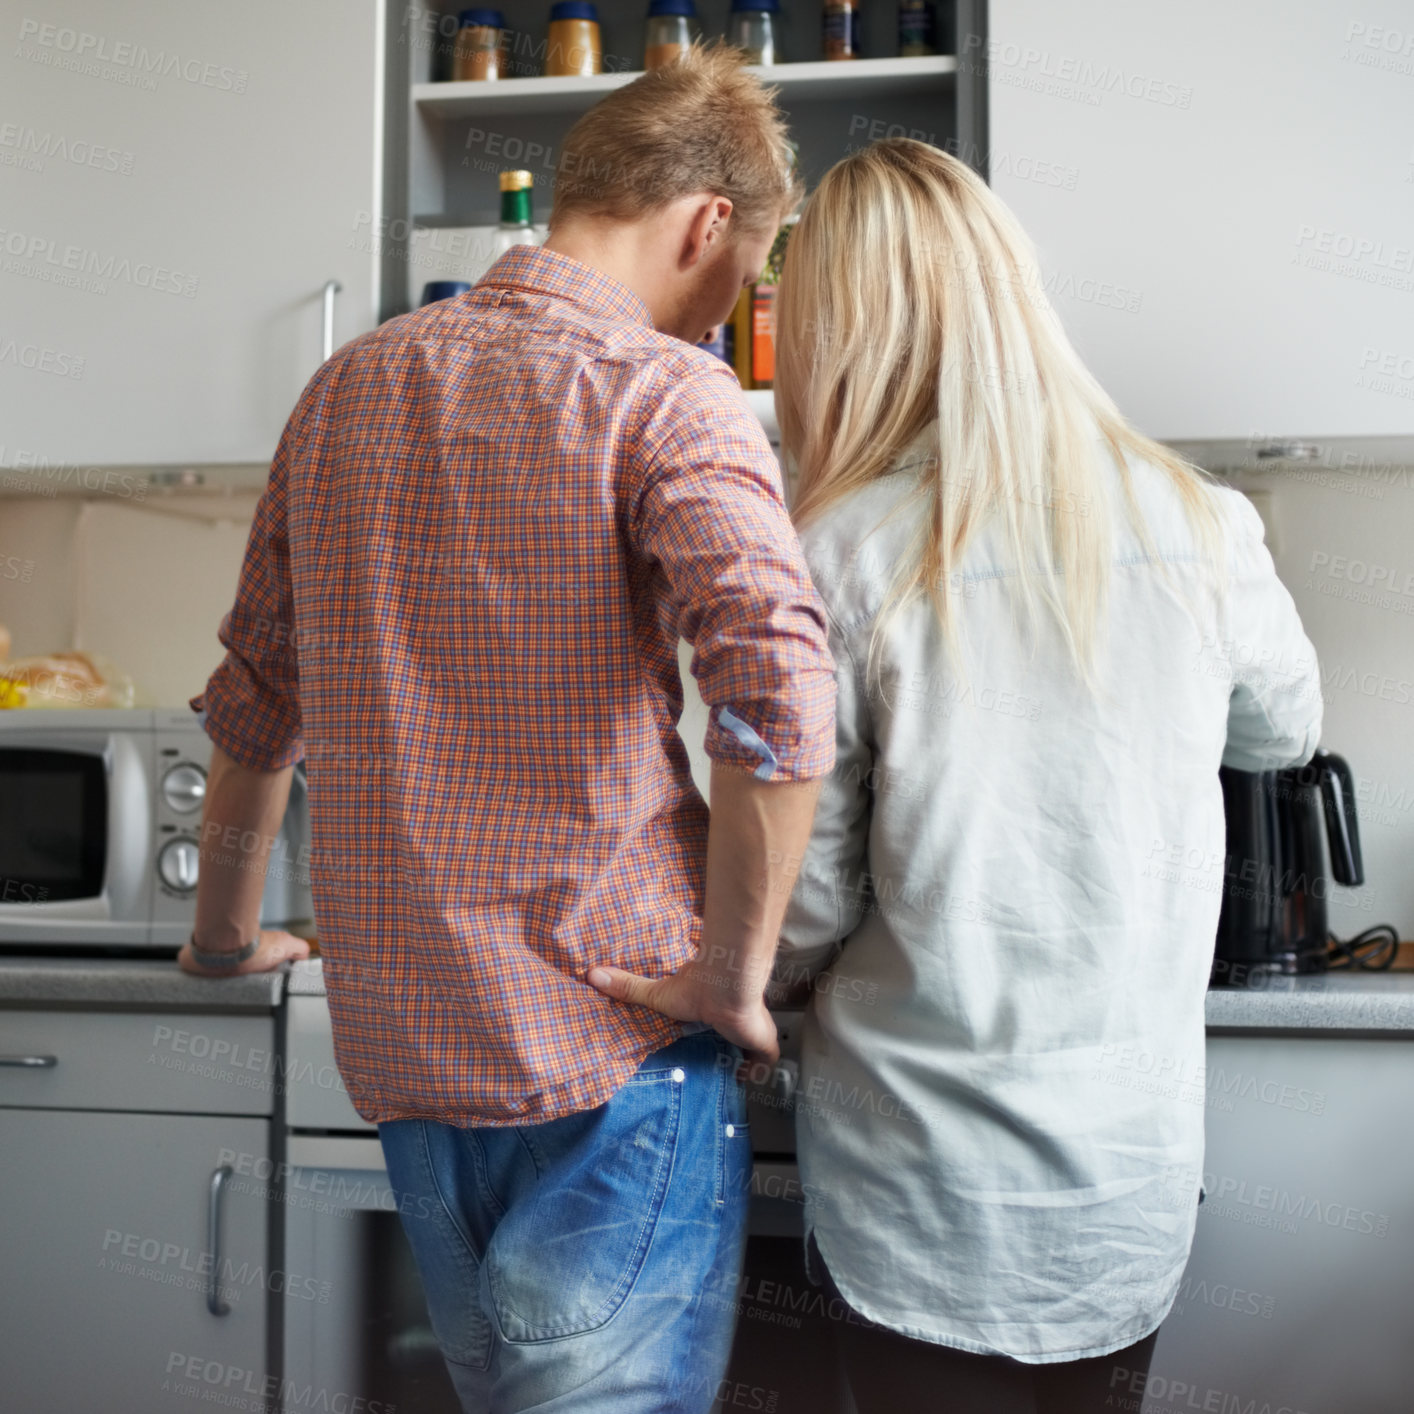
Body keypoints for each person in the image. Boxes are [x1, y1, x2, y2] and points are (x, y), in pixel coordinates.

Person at [180, 48, 836, 1414]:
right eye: (749, 270)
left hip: (412, 1058)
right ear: (707, 221)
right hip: (612, 1052)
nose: (733, 308)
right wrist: (732, 970)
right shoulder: (665, 391)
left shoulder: (341, 391)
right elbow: (775, 685)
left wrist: (224, 933)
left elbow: (254, 699)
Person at [770, 140, 1321, 1411]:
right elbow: (1282, 733)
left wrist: (756, 986)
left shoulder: (837, 554)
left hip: (914, 1186)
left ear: (841, 335)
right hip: (1122, 1180)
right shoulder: (1197, 519)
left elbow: (802, 903)